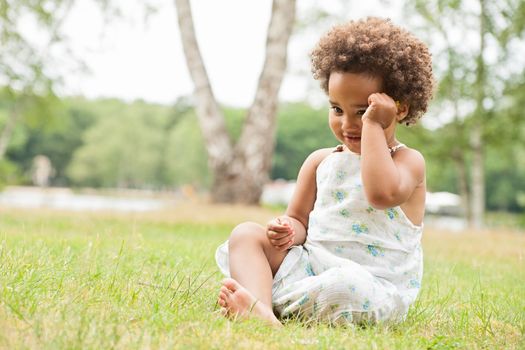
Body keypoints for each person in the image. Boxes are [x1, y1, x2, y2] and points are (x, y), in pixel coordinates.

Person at [215, 17, 435, 326]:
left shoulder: (408, 162)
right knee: (246, 235)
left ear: (398, 108)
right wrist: (287, 230)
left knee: (345, 285)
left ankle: (268, 304)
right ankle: (262, 309)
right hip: (312, 268)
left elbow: (380, 193)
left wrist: (373, 125)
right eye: (336, 109)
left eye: (362, 111)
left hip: (370, 286)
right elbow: (299, 220)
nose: (347, 124)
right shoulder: (321, 161)